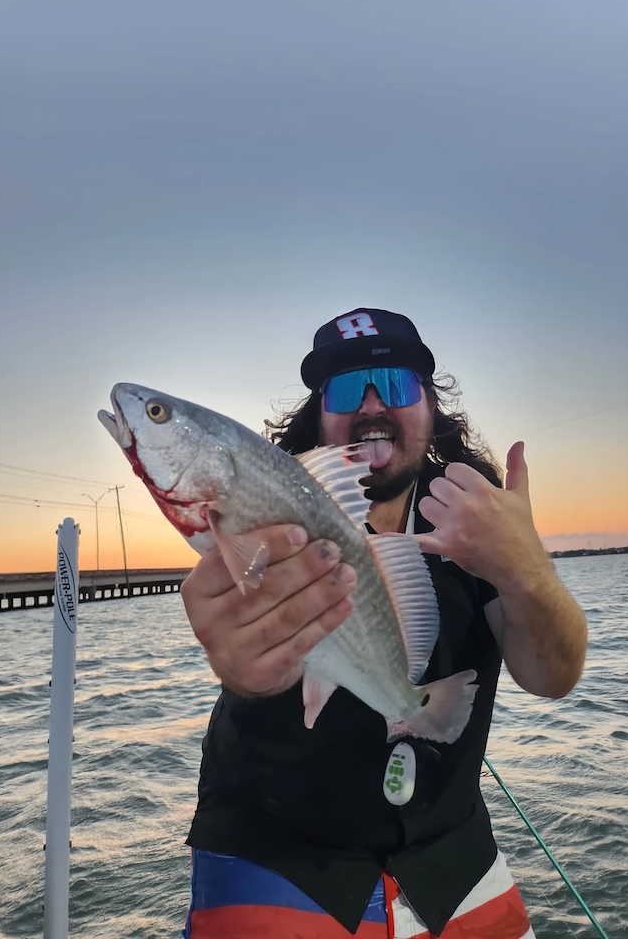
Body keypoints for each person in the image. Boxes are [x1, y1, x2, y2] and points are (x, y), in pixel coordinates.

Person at [180, 309, 587, 939]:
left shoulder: (475, 510)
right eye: (345, 390)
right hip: (275, 849)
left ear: (430, 400)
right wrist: (244, 661)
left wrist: (526, 570)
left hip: (451, 856)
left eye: (394, 384)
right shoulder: (268, 510)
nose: (371, 406)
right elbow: (244, 637)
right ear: (320, 412)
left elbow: (553, 677)